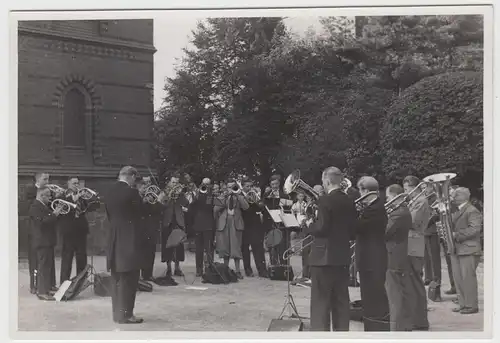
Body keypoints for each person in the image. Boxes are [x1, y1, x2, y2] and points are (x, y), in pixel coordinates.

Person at [305, 166, 357, 331]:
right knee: (341, 301)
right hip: (342, 255)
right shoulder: (349, 200)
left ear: (327, 181)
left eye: (323, 181)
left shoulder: (325, 200)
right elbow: (352, 230)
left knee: (321, 302)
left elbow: (322, 228)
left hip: (323, 257)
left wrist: (308, 225)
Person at [104, 166, 145, 324]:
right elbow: (140, 214)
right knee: (130, 279)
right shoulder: (132, 192)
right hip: (130, 239)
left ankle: (117, 314)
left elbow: (109, 215)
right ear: (132, 177)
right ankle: (127, 315)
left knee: (117, 279)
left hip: (114, 238)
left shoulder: (109, 191)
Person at [355, 176, 390, 331]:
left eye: (360, 191)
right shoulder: (373, 206)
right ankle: (372, 317)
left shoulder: (375, 208)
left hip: (372, 255)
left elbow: (357, 228)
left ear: (366, 190)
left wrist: (351, 215)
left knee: (373, 289)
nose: (359, 195)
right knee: (369, 289)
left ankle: (377, 321)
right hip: (371, 254)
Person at [403, 175, 431, 330]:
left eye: (407, 189)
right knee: (410, 282)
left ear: (413, 187)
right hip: (410, 243)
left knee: (415, 282)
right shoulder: (414, 201)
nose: (406, 192)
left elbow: (411, 222)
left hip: (414, 244)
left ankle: (420, 320)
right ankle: (414, 317)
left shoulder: (421, 201)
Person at [449, 187, 482, 314]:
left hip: (468, 249)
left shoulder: (472, 211)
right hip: (459, 249)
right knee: (459, 278)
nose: (453, 198)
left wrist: (456, 235)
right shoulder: (459, 210)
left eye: (455, 196)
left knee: (468, 278)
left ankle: (471, 305)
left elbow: (474, 229)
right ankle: (463, 304)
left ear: (463, 197)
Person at [384, 184, 413, 331]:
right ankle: (405, 326)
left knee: (394, 293)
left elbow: (385, 233)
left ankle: (395, 328)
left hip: (393, 254)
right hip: (399, 253)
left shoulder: (398, 213)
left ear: (395, 197)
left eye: (388, 197)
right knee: (402, 291)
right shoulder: (403, 210)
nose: (387, 200)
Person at [29, 186, 62, 300]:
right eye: (48, 195)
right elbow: (42, 223)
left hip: (47, 241)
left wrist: (54, 214)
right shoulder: (35, 207)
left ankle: (46, 288)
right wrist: (54, 214)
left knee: (47, 266)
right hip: (42, 241)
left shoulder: (42, 206)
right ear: (41, 195)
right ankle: (42, 292)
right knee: (43, 267)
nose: (50, 198)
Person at [58, 177, 92, 284]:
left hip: (81, 229)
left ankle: (81, 281)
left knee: (82, 256)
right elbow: (63, 209)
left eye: (77, 183)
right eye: (74, 183)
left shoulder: (82, 195)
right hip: (69, 230)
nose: (76, 185)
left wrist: (87, 199)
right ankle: (64, 282)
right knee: (67, 257)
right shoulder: (62, 195)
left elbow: (87, 209)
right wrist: (74, 199)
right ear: (68, 183)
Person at [214, 178, 249, 279]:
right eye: (229, 187)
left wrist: (238, 194)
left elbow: (246, 207)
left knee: (236, 246)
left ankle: (238, 271)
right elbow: (216, 209)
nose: (231, 189)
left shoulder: (240, 196)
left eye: (232, 187)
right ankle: (225, 270)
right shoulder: (223, 196)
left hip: (236, 222)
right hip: (225, 222)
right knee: (225, 247)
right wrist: (224, 197)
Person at [23, 172, 50, 294]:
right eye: (45, 179)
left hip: (45, 232)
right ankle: (33, 285)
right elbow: (26, 207)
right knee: (34, 260)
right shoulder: (30, 190)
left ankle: (46, 284)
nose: (48, 182)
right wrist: (41, 195)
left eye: (48, 179)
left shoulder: (47, 191)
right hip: (34, 232)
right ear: (38, 180)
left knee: (46, 261)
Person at [160, 174, 190, 277]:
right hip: (168, 221)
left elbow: (186, 203)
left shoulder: (180, 194)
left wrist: (180, 194)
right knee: (167, 245)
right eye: (173, 182)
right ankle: (168, 268)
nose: (175, 185)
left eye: (176, 183)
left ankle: (177, 268)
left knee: (179, 245)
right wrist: (168, 195)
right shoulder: (164, 192)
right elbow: (160, 204)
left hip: (178, 221)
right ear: (169, 183)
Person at [137, 179, 163, 281]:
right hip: (141, 229)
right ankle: (139, 275)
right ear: (138, 188)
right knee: (141, 253)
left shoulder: (151, 197)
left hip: (151, 228)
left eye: (145, 187)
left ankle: (148, 274)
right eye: (143, 188)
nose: (144, 190)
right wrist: (144, 202)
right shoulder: (137, 198)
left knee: (151, 252)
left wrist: (157, 201)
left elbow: (159, 210)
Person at [241, 179, 267, 278]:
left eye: (251, 186)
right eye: (247, 186)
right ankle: (248, 269)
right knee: (245, 249)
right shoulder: (240, 196)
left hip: (255, 224)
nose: (249, 188)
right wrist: (245, 199)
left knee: (258, 248)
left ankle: (262, 270)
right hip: (244, 224)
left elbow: (261, 208)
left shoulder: (255, 195)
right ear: (242, 186)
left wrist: (257, 201)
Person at [190, 178, 216, 276]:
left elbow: (208, 207)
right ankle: (199, 269)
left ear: (210, 185)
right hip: (198, 224)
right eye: (204, 184)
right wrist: (197, 195)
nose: (205, 186)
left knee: (209, 249)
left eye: (207, 184)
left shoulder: (211, 196)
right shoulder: (196, 195)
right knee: (199, 249)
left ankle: (209, 268)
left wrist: (207, 194)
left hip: (208, 225)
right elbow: (191, 207)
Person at [423, 185, 443, 301]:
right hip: (425, 232)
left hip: (433, 232)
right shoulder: (423, 199)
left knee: (435, 261)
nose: (424, 190)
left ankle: (437, 288)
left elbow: (437, 216)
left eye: (427, 187)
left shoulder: (436, 199)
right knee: (426, 259)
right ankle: (429, 279)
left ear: (432, 188)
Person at [291, 192, 310, 282]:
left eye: (303, 196)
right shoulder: (295, 204)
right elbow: (293, 211)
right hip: (298, 219)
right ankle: (294, 249)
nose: (301, 197)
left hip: (304, 220)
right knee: (294, 235)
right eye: (299, 196)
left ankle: (307, 274)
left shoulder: (306, 204)